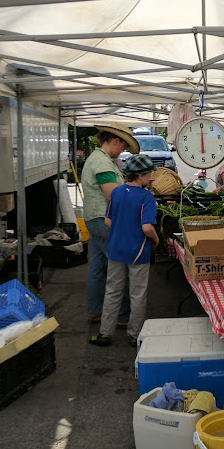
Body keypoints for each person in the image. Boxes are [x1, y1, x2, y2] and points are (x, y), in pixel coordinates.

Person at [89, 154, 159, 346]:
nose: (150, 177)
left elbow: (108, 221)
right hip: (138, 252)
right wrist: (155, 238)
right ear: (141, 176)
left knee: (112, 291)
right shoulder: (147, 197)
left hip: (116, 249)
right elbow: (147, 227)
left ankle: (105, 333)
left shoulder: (117, 192)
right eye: (149, 174)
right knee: (137, 294)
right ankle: (134, 335)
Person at [81, 123, 139, 326]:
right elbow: (114, 196)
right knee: (120, 268)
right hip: (103, 220)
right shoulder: (101, 162)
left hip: (95, 219)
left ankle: (96, 310)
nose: (122, 151)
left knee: (98, 267)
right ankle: (123, 316)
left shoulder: (101, 159)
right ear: (115, 141)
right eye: (122, 147)